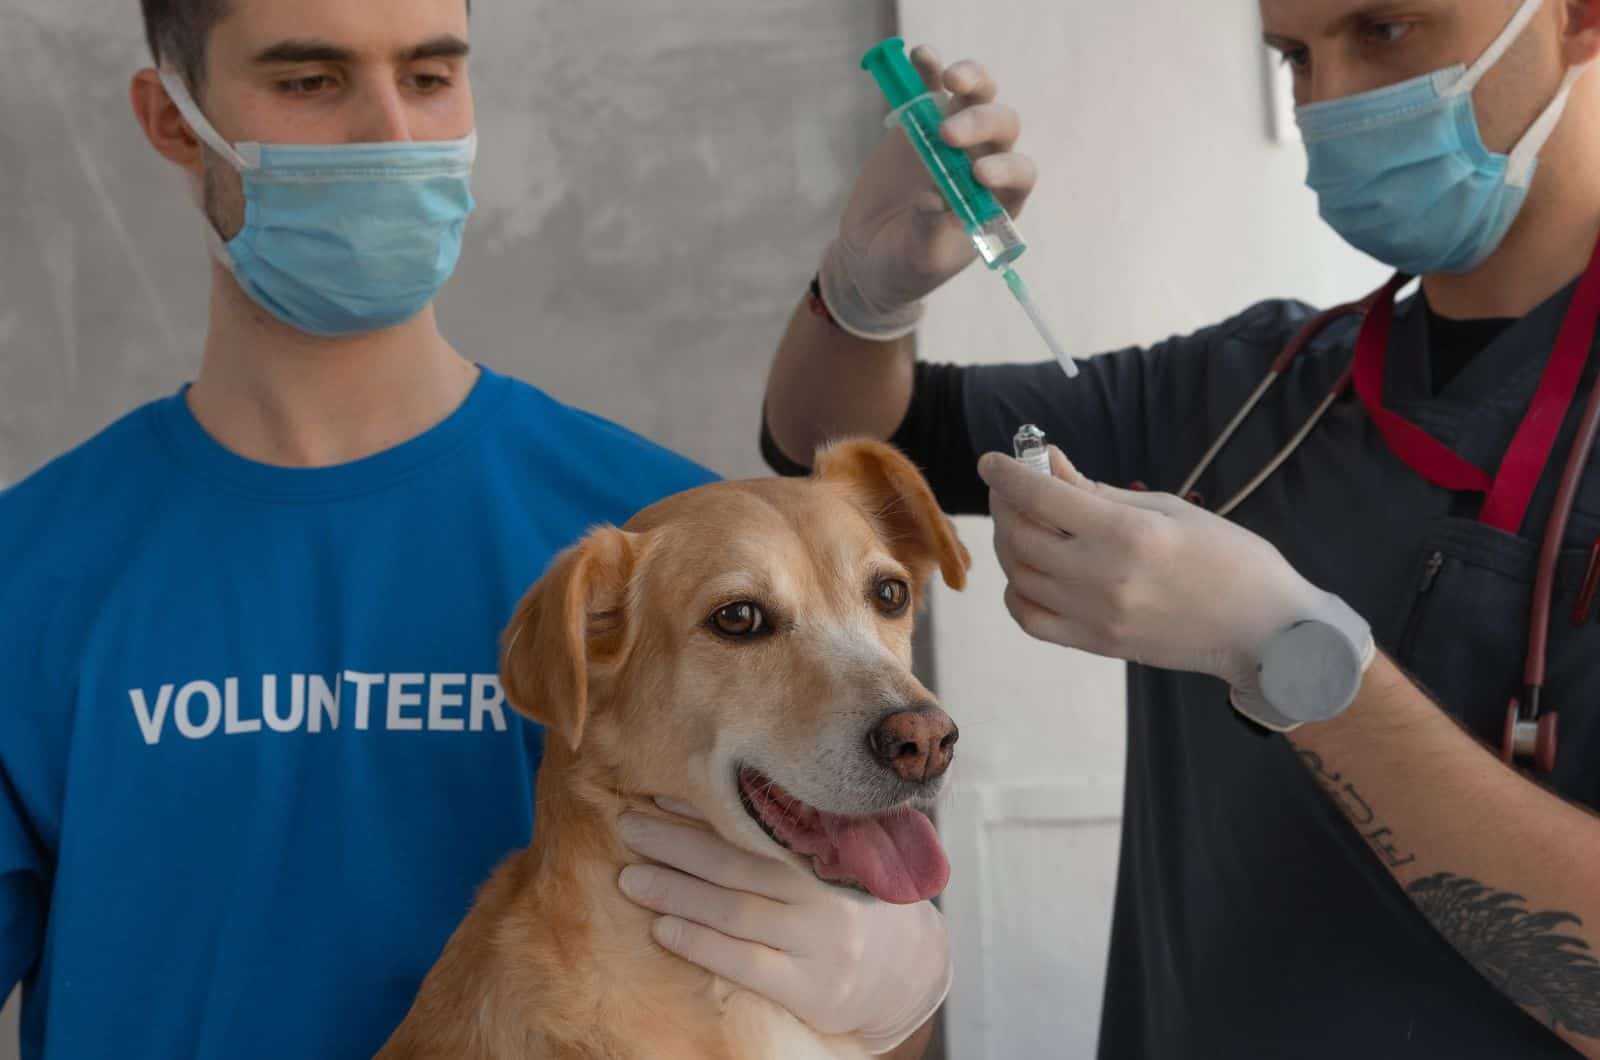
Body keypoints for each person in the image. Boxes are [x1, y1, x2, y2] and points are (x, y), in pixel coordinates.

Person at [0, 1, 1032, 1056]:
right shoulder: (27, 571)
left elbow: (836, 1016)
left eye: (431, 75)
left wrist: (888, 991)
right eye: (310, 81)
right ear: (173, 118)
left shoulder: (675, 540)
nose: (392, 135)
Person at [753, 1, 1600, 1056]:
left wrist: (1292, 658)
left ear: (1573, 19)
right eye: (1294, 55)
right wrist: (866, 295)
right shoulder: (1255, 389)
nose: (1327, 99)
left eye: (1384, 29)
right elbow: (829, 447)